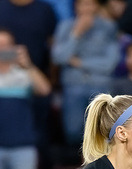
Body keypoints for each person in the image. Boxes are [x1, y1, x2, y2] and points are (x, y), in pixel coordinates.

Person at [51, 0, 120, 143]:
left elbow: (109, 63)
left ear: (96, 6)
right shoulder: (65, 27)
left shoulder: (108, 27)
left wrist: (79, 62)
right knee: (72, 132)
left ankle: (97, 163)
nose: (87, 8)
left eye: (90, 4)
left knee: (102, 132)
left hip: (99, 84)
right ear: (76, 7)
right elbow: (58, 57)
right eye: (83, 4)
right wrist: (76, 34)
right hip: (73, 85)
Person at [0, 29, 51, 169]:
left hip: (23, 146)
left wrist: (28, 65)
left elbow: (45, 89)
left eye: (6, 45)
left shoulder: (24, 74)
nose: (3, 50)